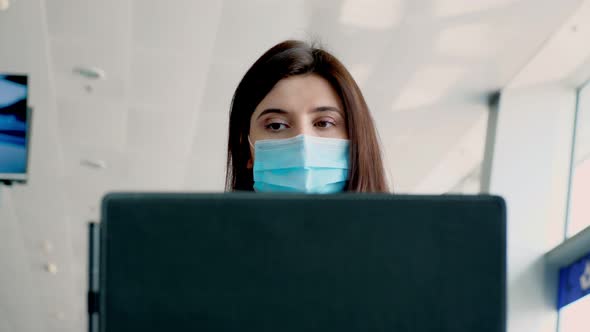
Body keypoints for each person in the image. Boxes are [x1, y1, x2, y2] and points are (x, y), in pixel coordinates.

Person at [225, 40, 389, 193]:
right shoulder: (208, 225)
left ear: (356, 137)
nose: (303, 142)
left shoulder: (403, 224)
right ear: (245, 148)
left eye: (324, 123)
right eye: (276, 125)